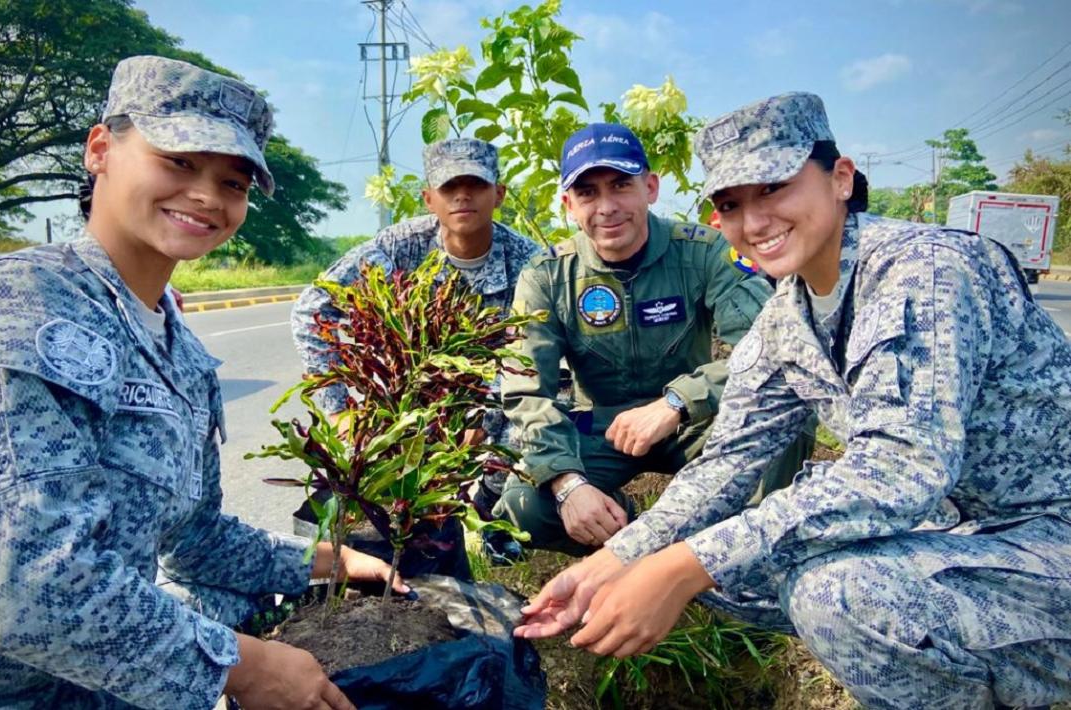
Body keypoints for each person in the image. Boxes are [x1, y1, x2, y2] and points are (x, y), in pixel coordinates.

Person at [515, 93, 1071, 709]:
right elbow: (725, 463)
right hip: (959, 529)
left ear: (840, 178)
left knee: (831, 594)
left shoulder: (924, 270)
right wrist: (610, 564)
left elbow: (897, 471)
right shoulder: (788, 316)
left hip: (1047, 535)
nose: (753, 224)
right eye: (730, 204)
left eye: (773, 187)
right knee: (730, 569)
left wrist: (678, 567)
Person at [0, 55, 408, 710]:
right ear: (100, 149)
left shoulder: (181, 356)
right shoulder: (23, 305)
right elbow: (33, 593)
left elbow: (194, 539)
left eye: (232, 182)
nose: (209, 196)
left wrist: (329, 561)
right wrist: (240, 666)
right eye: (179, 162)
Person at [495, 123, 812, 555]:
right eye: (588, 193)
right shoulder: (547, 276)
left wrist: (678, 401)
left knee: (785, 426)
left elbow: (766, 349)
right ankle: (629, 532)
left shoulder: (706, 251)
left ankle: (745, 558)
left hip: (694, 421)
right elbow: (526, 390)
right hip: (601, 426)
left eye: (621, 186)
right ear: (569, 204)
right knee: (526, 504)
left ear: (650, 187)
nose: (606, 207)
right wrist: (569, 484)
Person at [291, 137, 539, 564]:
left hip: (491, 398)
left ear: (498, 194)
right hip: (403, 396)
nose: (462, 195)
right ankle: (336, 564)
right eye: (448, 187)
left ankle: (490, 512)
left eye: (475, 184)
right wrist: (339, 410)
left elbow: (536, 356)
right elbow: (312, 309)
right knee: (351, 487)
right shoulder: (398, 247)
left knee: (531, 427)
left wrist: (486, 415)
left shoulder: (529, 262)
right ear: (429, 198)